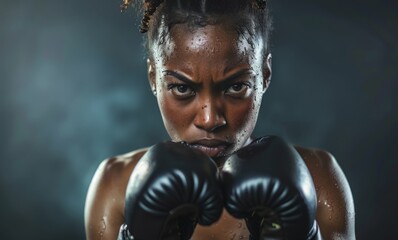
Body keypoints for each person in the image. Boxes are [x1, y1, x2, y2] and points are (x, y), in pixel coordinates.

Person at [84, 0, 355, 239]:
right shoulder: (116, 185)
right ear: (154, 78)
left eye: (236, 87)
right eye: (182, 88)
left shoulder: (317, 179)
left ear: (265, 75)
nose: (210, 119)